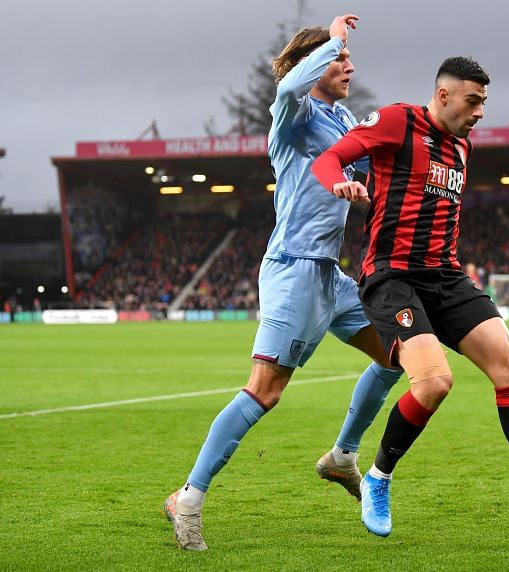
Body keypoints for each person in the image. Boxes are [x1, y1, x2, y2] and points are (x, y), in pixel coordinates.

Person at [312, 56, 509, 537]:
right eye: (473, 101)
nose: (480, 112)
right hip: (393, 277)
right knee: (433, 383)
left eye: (485, 102)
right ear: (444, 95)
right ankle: (378, 479)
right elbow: (328, 159)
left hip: (446, 277)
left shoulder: (463, 146)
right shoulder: (395, 121)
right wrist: (340, 183)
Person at [163, 13, 403, 551]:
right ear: (312, 63)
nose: (350, 65)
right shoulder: (290, 113)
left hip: (332, 276)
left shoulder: (340, 119)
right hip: (293, 269)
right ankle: (189, 498)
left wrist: (358, 187)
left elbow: (360, 158)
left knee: (399, 353)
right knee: (264, 392)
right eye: (340, 59)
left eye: (346, 57)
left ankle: (342, 458)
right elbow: (291, 83)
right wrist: (333, 37)